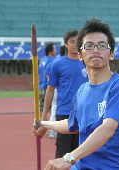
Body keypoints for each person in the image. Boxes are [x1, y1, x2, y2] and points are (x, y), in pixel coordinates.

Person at [33, 18, 119, 169]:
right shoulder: (82, 91)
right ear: (80, 55)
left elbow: (107, 128)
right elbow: (72, 125)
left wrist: (69, 158)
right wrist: (44, 124)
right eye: (89, 46)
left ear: (112, 54)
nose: (95, 50)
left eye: (102, 46)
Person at [41, 30, 88, 158]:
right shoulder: (57, 64)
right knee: (63, 152)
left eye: (76, 41)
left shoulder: (87, 62)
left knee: (80, 153)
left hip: (84, 113)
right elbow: (50, 90)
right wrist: (45, 112)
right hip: (64, 112)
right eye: (71, 42)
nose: (74, 44)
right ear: (66, 44)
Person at [48, 45, 67, 139]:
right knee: (56, 110)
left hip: (56, 89)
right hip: (59, 90)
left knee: (54, 110)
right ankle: (53, 130)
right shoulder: (59, 62)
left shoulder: (56, 60)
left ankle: (52, 131)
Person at [38, 42, 56, 117]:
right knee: (52, 107)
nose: (56, 50)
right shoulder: (51, 61)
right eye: (54, 48)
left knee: (42, 107)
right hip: (46, 86)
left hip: (40, 85)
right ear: (51, 51)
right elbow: (47, 73)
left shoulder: (42, 60)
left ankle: (40, 123)